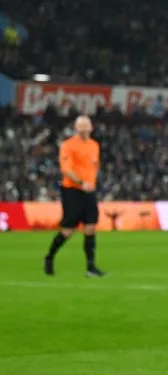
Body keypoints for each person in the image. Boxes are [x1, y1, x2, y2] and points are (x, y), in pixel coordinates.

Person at [44, 115, 106, 277]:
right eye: (80, 126)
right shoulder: (68, 145)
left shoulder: (94, 145)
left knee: (91, 227)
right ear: (76, 128)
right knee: (68, 230)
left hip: (89, 192)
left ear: (91, 128)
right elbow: (66, 169)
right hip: (73, 191)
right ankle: (49, 257)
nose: (84, 129)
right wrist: (81, 182)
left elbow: (93, 167)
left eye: (86, 125)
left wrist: (91, 183)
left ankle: (90, 267)